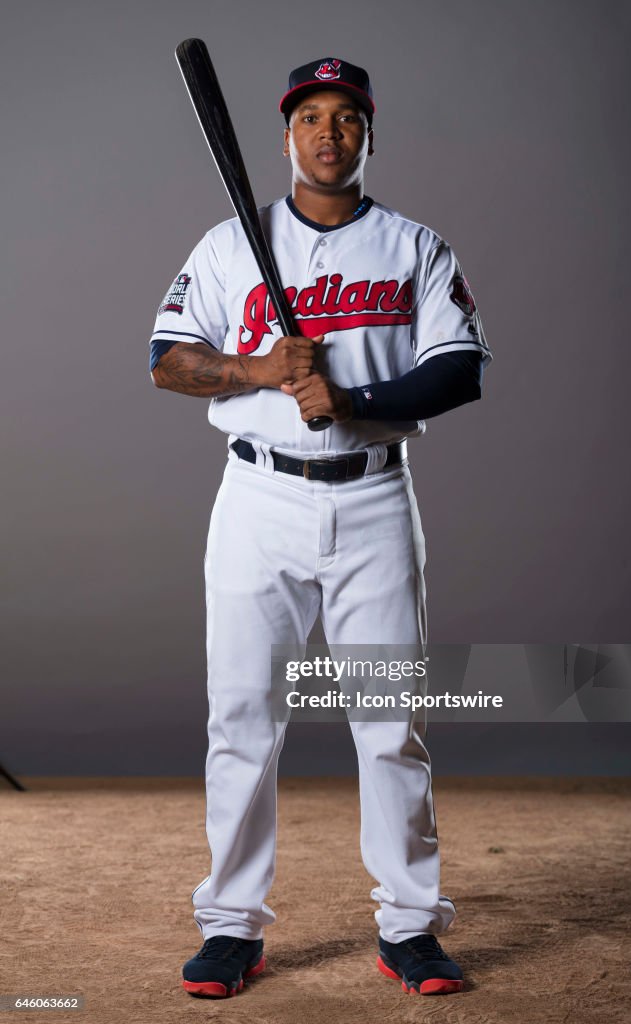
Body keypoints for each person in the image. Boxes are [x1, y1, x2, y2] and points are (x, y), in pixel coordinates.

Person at [149, 56, 492, 999]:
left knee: (391, 725)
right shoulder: (229, 245)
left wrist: (350, 397)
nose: (328, 134)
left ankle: (411, 927)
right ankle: (230, 926)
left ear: (368, 134)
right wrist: (261, 373)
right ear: (286, 135)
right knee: (242, 719)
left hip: (376, 497)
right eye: (310, 118)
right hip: (257, 503)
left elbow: (459, 369)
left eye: (347, 118)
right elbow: (166, 362)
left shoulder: (415, 247)